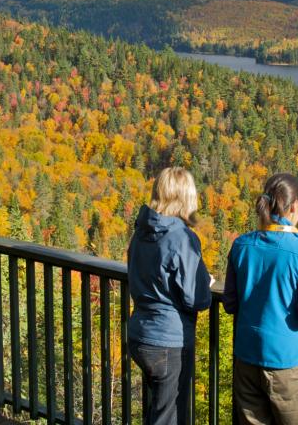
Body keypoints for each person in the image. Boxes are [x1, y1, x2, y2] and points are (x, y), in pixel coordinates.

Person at [223, 172, 298, 425]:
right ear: (296, 205)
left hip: (246, 356)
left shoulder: (241, 245)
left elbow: (230, 304)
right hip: (287, 361)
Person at [127, 167, 213, 425]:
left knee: (158, 412)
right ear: (186, 198)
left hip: (140, 335)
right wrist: (205, 284)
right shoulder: (181, 238)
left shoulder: (141, 232)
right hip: (168, 342)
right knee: (169, 417)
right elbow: (196, 299)